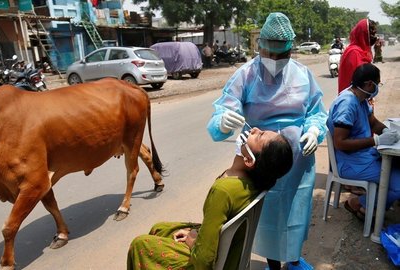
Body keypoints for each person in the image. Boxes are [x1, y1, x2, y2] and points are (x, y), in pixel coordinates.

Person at [206, 12, 327, 270]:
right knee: (266, 213)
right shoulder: (246, 75)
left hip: (297, 161)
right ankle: (273, 263)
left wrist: (314, 130)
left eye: (280, 56)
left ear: (290, 51)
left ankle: (293, 258)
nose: (273, 60)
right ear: (259, 47)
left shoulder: (303, 75)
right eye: (269, 54)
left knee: (295, 210)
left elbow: (316, 111)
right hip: (261, 158)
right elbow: (223, 112)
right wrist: (222, 122)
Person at [127, 128, 294, 270]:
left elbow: (203, 259)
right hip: (229, 253)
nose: (254, 129)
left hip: (214, 262)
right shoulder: (259, 181)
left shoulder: (223, 190)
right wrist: (196, 234)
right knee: (160, 228)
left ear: (249, 160)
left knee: (139, 244)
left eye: (259, 135)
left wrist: (194, 241)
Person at [327, 63, 400, 219]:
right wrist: (377, 140)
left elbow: (373, 123)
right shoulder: (347, 104)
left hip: (363, 156)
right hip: (350, 163)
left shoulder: (361, 98)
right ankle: (359, 203)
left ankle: (375, 203)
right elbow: (340, 143)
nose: (377, 88)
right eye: (377, 84)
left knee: (397, 164)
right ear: (369, 84)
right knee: (398, 186)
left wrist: (388, 131)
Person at [338, 18, 378, 94]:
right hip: (353, 99)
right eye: (371, 34)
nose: (373, 37)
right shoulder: (354, 52)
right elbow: (359, 82)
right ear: (362, 34)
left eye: (374, 34)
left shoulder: (362, 51)